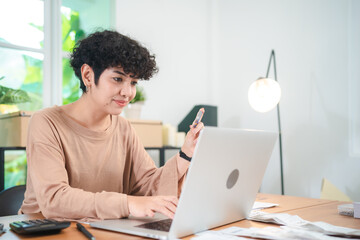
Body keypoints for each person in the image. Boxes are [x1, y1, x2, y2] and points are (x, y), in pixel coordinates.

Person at [19, 30, 204, 222]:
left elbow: (148, 187)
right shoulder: (46, 122)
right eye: (118, 79)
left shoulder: (123, 128)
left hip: (100, 229)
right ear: (88, 76)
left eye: (133, 82)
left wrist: (185, 154)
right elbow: (55, 199)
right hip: (46, 231)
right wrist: (128, 204)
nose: (127, 92)